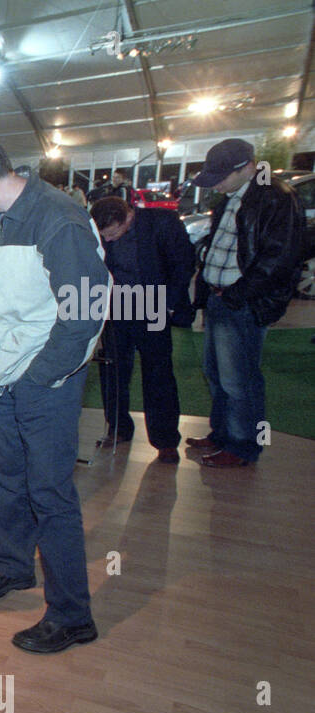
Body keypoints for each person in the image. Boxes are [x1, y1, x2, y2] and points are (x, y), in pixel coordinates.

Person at [0, 135, 110, 654]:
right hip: (2, 376)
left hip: (44, 383)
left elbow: (84, 314)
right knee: (8, 479)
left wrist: (38, 378)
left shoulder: (59, 222)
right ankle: (14, 569)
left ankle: (72, 615)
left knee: (50, 494)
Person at [187, 138, 302, 468]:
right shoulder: (232, 197)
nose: (217, 184)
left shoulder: (277, 197)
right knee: (216, 373)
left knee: (240, 379)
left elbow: (279, 258)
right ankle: (222, 434)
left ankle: (242, 445)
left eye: (222, 176)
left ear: (247, 168)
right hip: (222, 299)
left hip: (243, 303)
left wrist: (238, 294)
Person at [89, 196, 195, 463]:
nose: (109, 241)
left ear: (128, 217)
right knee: (112, 370)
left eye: (113, 234)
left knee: (158, 373)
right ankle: (118, 427)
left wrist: (170, 304)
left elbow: (183, 264)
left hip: (153, 304)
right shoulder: (98, 231)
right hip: (116, 307)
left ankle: (165, 440)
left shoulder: (162, 223)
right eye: (105, 236)